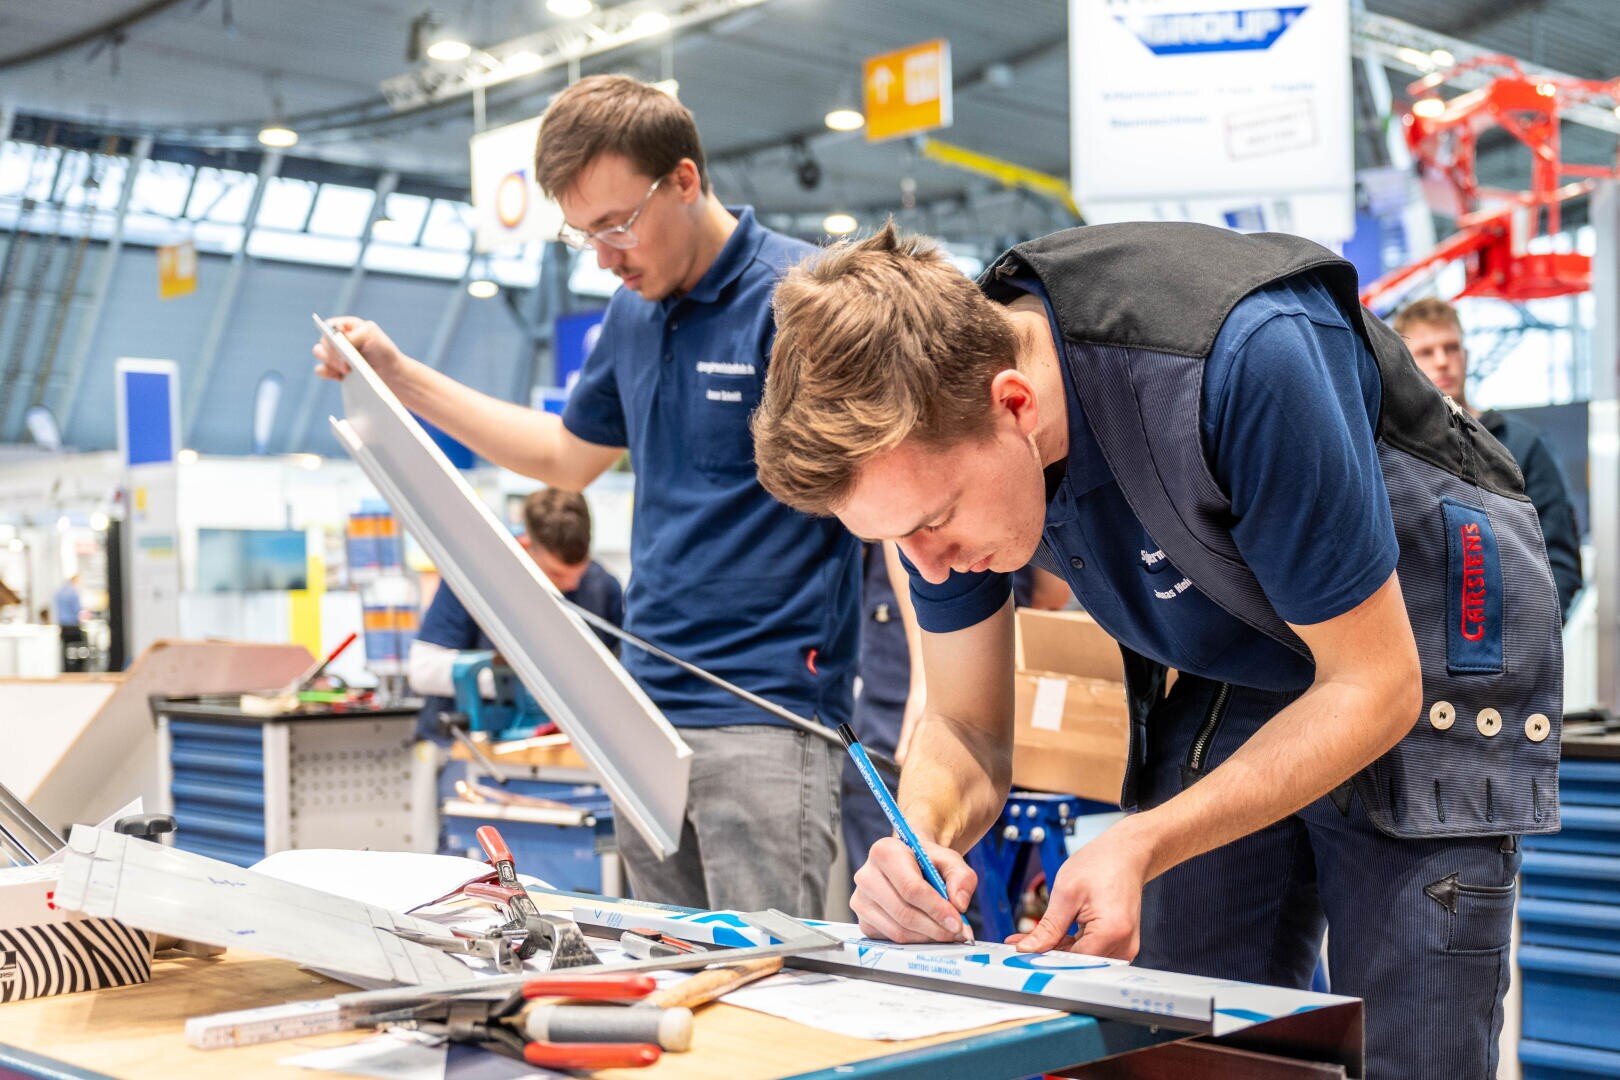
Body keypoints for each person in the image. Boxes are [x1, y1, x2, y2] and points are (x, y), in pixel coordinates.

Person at [751, 221, 1562, 1078]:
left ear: (1015, 405)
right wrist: (920, 839)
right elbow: (965, 726)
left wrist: (1139, 842)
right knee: (1195, 1043)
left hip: (1418, 648)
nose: (930, 567)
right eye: (893, 543)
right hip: (1236, 657)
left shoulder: (1243, 357)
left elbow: (1373, 686)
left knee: (1410, 1048)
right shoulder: (939, 442)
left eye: (932, 524)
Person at [316, 75, 859, 918]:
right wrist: (400, 376)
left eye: (617, 224)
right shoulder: (633, 316)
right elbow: (566, 456)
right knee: (665, 966)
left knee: (774, 986)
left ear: (684, 179)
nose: (605, 255)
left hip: (767, 710)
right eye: (583, 235)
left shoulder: (804, 300)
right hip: (640, 711)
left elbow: (881, 498)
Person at [842, 545, 1066, 881]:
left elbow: (1052, 591)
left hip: (910, 680)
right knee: (899, 883)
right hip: (912, 687)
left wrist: (923, 686)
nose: (929, 565)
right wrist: (919, 833)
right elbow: (1051, 591)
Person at [1395, 296, 1583, 617]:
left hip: (1512, 647)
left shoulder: (1522, 445)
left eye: (1451, 347)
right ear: (1404, 363)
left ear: (1466, 356)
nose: (1442, 361)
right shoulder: (1396, 455)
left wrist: (1532, 637)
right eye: (1426, 352)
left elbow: (1559, 559)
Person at [409, 487, 624, 742]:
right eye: (556, 573)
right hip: (468, 744)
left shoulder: (601, 586)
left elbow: (618, 674)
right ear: (526, 546)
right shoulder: (474, 576)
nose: (572, 584)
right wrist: (515, 682)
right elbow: (422, 670)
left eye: (578, 571)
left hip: (559, 744)